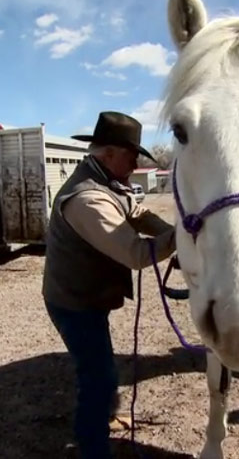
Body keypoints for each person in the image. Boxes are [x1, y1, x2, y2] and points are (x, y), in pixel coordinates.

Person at [42, 111, 177, 458]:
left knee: (101, 364)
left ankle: (105, 418)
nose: (134, 165)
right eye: (132, 157)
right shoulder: (88, 199)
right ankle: (93, 448)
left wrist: (169, 233)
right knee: (97, 377)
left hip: (87, 296)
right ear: (110, 153)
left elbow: (137, 213)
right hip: (74, 302)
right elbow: (134, 253)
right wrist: (183, 239)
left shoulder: (106, 182)